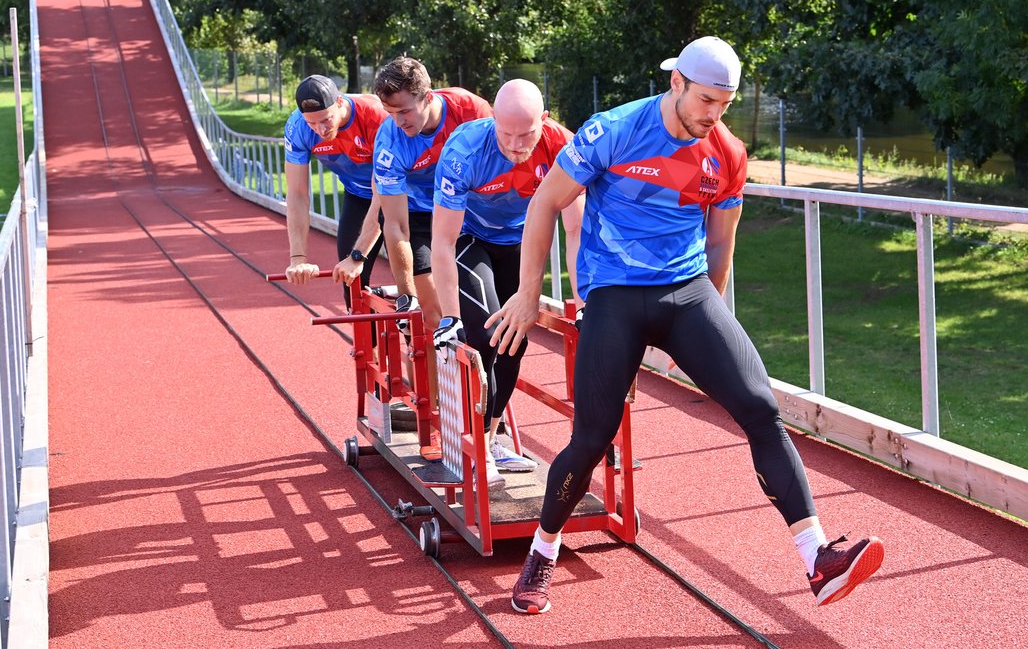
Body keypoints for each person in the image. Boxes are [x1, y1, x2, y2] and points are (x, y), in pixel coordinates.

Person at [488, 37, 885, 614]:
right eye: (705, 101)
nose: (713, 115)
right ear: (676, 84)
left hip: (686, 291)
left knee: (760, 407)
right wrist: (527, 295)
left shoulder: (727, 152)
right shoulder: (614, 130)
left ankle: (817, 559)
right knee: (592, 438)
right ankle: (542, 553)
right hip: (615, 293)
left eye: (724, 104)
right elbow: (545, 203)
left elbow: (721, 240)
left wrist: (710, 318)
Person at [430, 79, 585, 491]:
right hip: (470, 239)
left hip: (521, 242)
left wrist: (583, 300)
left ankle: (491, 437)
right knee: (488, 334)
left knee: (515, 340)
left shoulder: (564, 148)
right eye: (506, 134)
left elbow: (576, 231)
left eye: (527, 134)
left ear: (545, 121)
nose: (516, 145)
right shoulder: (465, 151)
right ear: (491, 119)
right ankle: (475, 447)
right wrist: (449, 317)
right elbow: (442, 242)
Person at [370, 56, 494, 459]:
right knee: (435, 314)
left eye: (404, 110)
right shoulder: (390, 141)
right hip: (422, 219)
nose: (398, 120)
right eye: (389, 112)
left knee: (485, 318)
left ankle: (486, 419)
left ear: (428, 96)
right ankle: (442, 416)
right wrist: (406, 290)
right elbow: (396, 227)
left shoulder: (469, 109)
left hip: (471, 212)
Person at [283, 75, 388, 306]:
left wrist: (359, 254)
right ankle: (366, 343)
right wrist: (298, 257)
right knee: (350, 280)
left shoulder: (375, 116)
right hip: (359, 195)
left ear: (340, 102)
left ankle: (421, 336)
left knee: (413, 278)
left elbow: (384, 192)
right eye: (312, 123)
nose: (320, 129)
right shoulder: (297, 127)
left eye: (326, 119)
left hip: (400, 195)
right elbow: (297, 194)